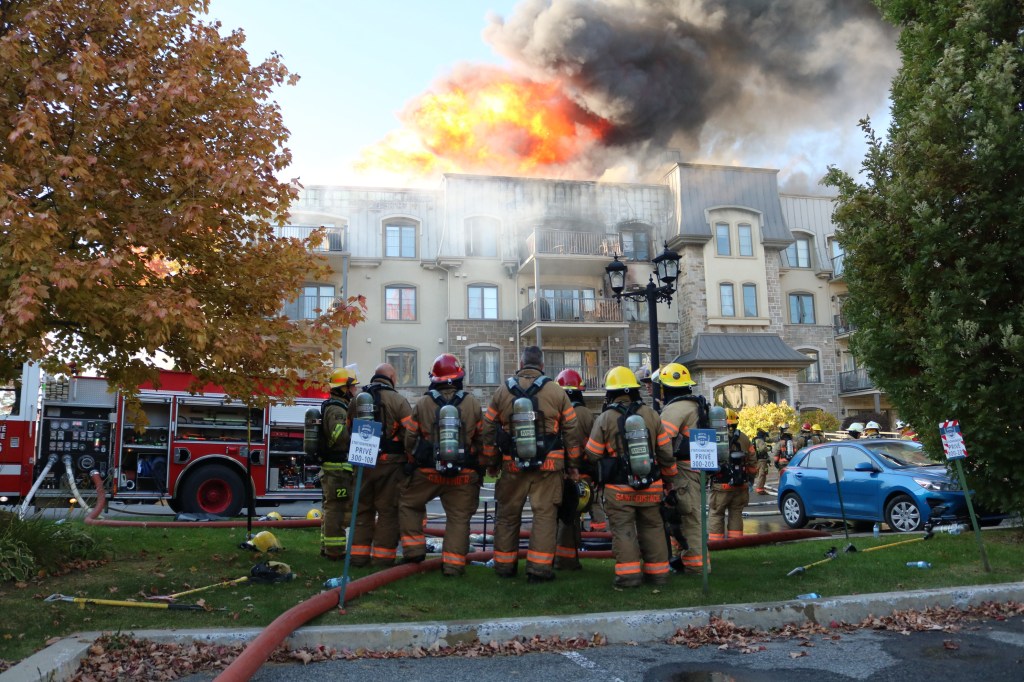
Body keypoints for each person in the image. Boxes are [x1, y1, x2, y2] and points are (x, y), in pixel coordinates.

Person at [482, 346, 580, 583]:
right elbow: (572, 429)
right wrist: (573, 464)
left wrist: (492, 463)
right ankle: (539, 570)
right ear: (543, 366)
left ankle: (504, 567)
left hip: (512, 466)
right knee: (545, 516)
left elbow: (487, 428)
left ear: (521, 362)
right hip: (549, 467)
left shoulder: (502, 391)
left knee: (507, 515)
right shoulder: (556, 391)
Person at [586, 366, 677, 587]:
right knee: (654, 529)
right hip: (651, 486)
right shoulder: (651, 414)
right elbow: (665, 452)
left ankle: (629, 577)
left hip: (619, 491)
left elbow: (593, 453)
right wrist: (670, 480)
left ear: (610, 392)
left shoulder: (606, 418)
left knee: (624, 531)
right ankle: (658, 575)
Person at [398, 354, 483, 576]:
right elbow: (483, 437)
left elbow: (410, 439)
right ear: (458, 377)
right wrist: (482, 463)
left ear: (434, 378)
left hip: (427, 473)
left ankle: (415, 551)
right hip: (463, 475)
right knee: (458, 518)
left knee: (408, 504)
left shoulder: (424, 403)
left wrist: (413, 458)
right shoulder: (472, 403)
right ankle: (453, 566)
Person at [346, 363, 412, 567]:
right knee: (387, 511)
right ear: (392, 378)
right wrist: (410, 457)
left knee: (361, 510)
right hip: (390, 465)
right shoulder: (399, 401)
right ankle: (382, 559)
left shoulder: (357, 400)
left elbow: (348, 429)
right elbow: (410, 434)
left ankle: (357, 557)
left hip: (363, 463)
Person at [657, 362, 709, 574]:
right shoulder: (694, 405)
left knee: (689, 519)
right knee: (683, 517)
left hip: (683, 473)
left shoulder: (675, 409)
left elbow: (662, 441)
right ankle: (684, 559)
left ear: (666, 387)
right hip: (696, 470)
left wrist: (663, 469)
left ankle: (696, 566)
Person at [554, 368, 600, 570]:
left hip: (562, 472)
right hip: (585, 473)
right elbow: (594, 445)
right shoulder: (586, 414)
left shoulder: (557, 412)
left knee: (565, 517)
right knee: (590, 509)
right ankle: (593, 544)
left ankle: (564, 559)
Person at [319, 367, 360, 560]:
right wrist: (356, 433)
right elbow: (339, 436)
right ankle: (335, 551)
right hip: (337, 470)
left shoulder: (339, 406)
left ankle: (328, 548)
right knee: (337, 511)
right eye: (352, 387)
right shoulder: (337, 409)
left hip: (337, 469)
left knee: (332, 509)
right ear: (344, 388)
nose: (355, 391)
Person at [708, 409, 756, 542]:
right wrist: (750, 480)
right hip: (741, 485)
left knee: (717, 513)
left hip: (721, 485)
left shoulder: (714, 437)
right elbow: (753, 461)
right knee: (736, 513)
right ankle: (736, 542)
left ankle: (716, 543)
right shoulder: (745, 438)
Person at [752, 428, 771, 495]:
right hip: (762, 460)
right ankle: (760, 489)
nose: (765, 438)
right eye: (765, 436)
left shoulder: (756, 440)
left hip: (758, 460)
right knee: (762, 474)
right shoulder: (760, 441)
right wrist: (768, 448)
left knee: (762, 474)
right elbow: (763, 449)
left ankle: (761, 487)